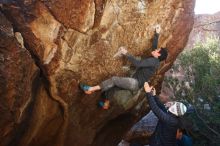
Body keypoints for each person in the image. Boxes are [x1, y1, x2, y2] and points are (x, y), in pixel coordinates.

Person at [80, 25, 168, 97]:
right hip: (135, 83)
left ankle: (90, 89)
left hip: (134, 83)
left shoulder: (153, 61)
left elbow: (138, 63)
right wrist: (157, 33)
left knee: (114, 80)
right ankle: (106, 102)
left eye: (157, 50)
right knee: (115, 86)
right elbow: (154, 48)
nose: (155, 50)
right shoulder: (156, 60)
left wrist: (126, 53)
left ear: (158, 54)